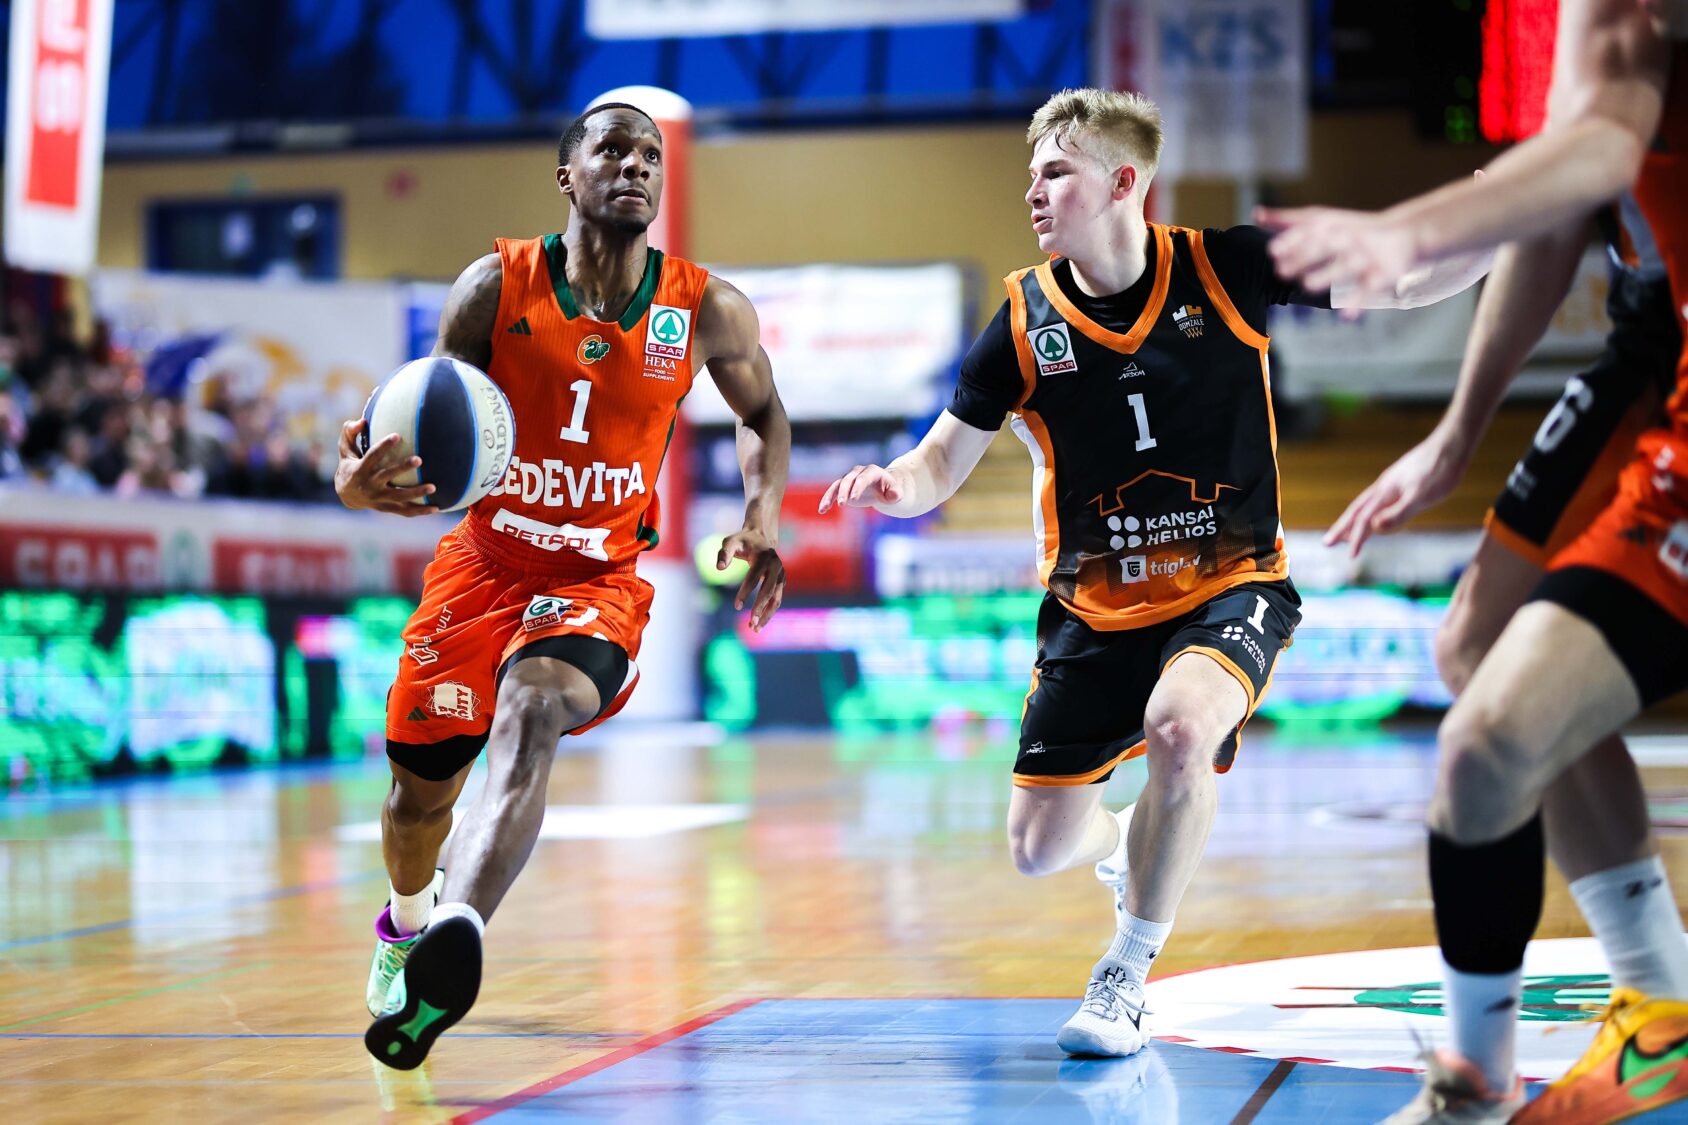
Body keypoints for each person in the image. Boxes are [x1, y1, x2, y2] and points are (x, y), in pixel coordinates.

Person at [818, 86, 1488, 1060]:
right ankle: (1124, 838)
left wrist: (1504, 221)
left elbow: (1404, 284)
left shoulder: (1226, 266)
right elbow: (937, 464)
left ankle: (1124, 977)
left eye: (1056, 172)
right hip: (1093, 609)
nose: (1033, 192)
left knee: (1180, 729)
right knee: (1038, 848)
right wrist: (894, 484)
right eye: (1030, 175)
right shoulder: (1022, 322)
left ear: (1123, 182)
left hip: (1228, 584)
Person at [1263, 2, 1688, 1120]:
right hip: (1656, 345)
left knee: (1488, 738)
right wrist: (1455, 433)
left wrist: (1408, 232)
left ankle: (1564, 1042)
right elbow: (1562, 193)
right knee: (1477, 654)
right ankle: (1655, 1005)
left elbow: (1597, 146)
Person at [335, 102, 790, 1071]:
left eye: (649, 154)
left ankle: (458, 928)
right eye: (611, 149)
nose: (635, 165)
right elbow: (420, 426)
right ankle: (409, 922)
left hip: (595, 578)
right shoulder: (492, 287)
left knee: (533, 708)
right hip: (482, 568)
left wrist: (762, 515)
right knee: (416, 801)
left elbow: (764, 413)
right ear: (566, 176)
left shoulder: (705, 308)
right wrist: (359, 482)